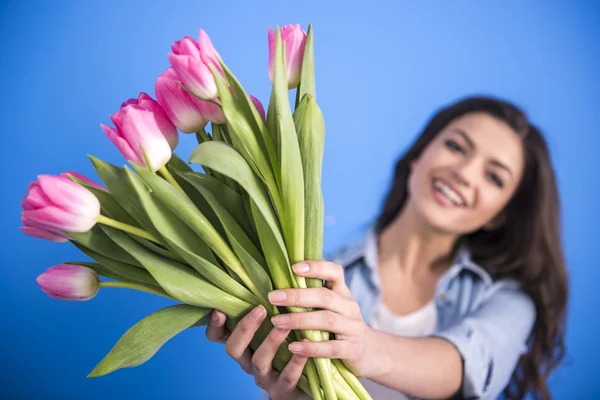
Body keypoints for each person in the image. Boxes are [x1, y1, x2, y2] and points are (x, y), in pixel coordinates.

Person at [205, 96, 569, 400]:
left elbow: (461, 365)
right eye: (456, 146)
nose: (465, 173)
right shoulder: (315, 283)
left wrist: (365, 347)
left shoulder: (508, 302)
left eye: (494, 177)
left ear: (499, 217)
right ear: (419, 155)